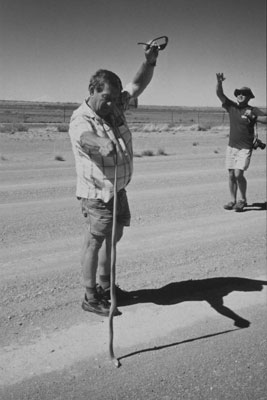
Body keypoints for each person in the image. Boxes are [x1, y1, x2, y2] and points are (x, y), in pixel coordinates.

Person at [69, 41, 159, 316]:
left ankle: (107, 288)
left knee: (113, 238)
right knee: (94, 242)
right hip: (97, 194)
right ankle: (90, 296)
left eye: (114, 98)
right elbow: (84, 137)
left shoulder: (116, 103)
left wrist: (150, 61)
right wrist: (100, 143)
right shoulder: (81, 118)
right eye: (106, 98)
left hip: (118, 188)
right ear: (93, 90)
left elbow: (137, 84)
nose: (111, 103)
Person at [216, 73, 267, 212]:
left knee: (239, 174)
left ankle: (242, 200)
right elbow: (220, 95)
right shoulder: (232, 107)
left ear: (249, 97)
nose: (240, 95)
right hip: (231, 147)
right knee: (231, 174)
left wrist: (254, 117)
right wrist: (219, 83)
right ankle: (233, 200)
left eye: (244, 93)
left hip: (245, 148)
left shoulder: (252, 109)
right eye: (238, 93)